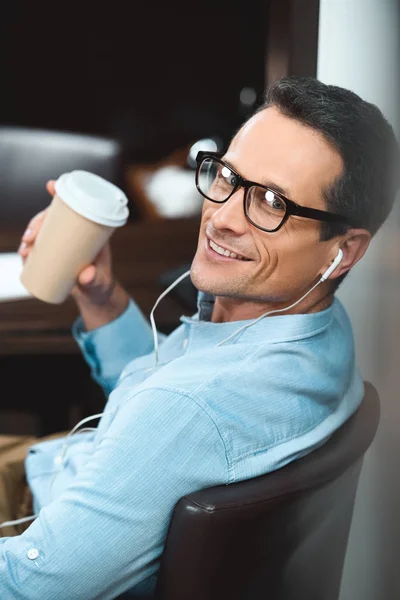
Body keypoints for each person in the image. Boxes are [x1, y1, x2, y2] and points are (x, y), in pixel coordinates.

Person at [0, 76, 398, 599]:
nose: (222, 218)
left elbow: (31, 584)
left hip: (37, 523)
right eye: (228, 176)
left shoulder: (185, 412)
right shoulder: (322, 328)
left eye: (273, 203)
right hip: (64, 464)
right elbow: (168, 405)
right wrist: (102, 298)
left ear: (342, 250)